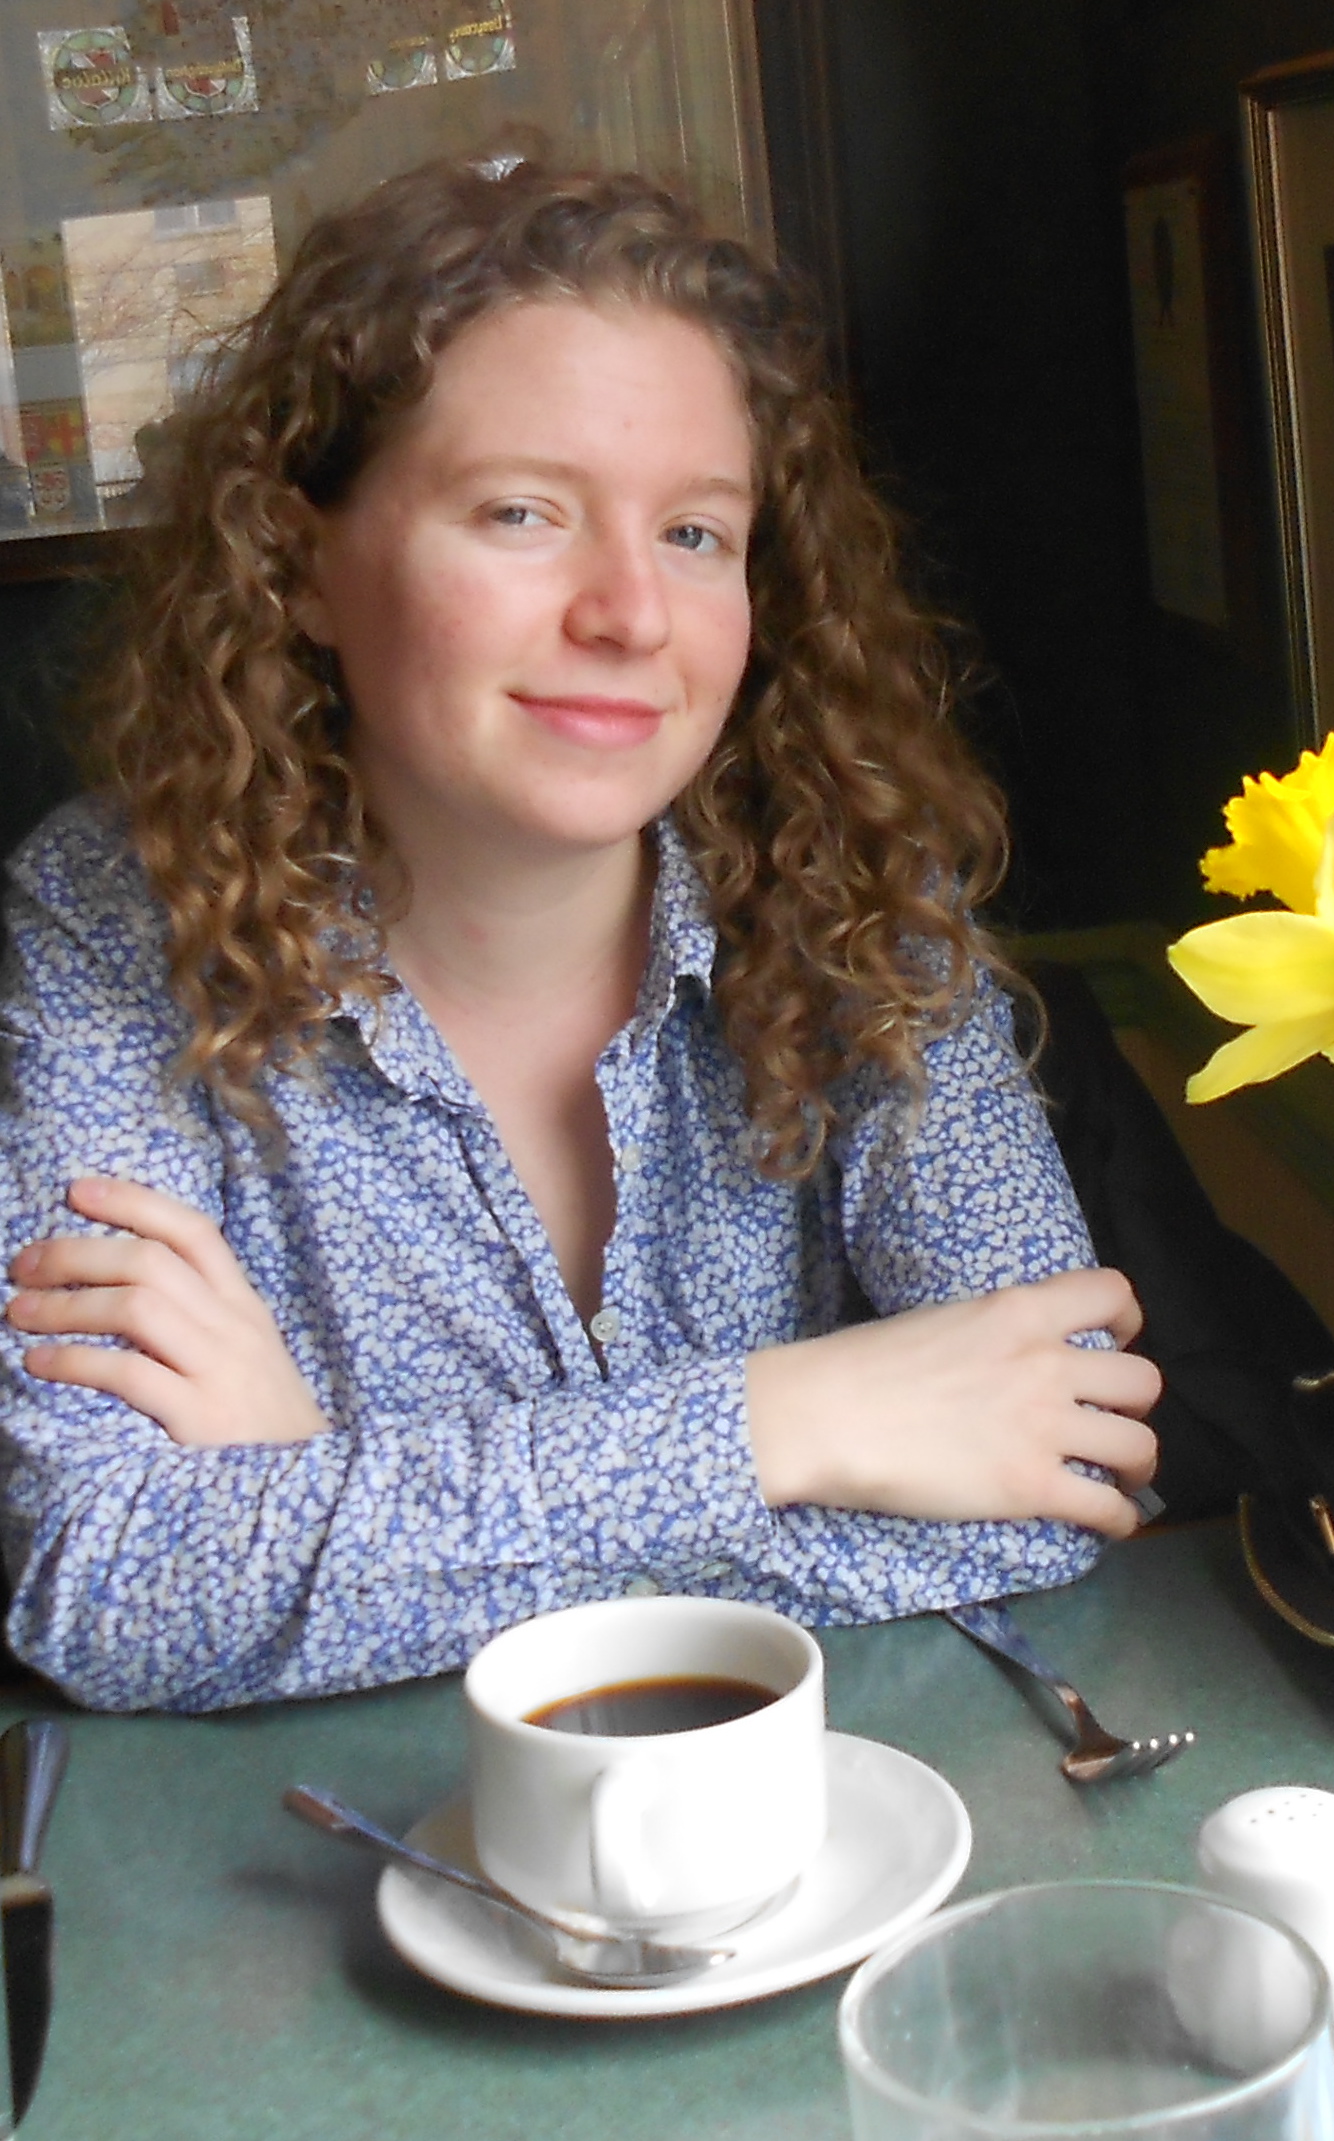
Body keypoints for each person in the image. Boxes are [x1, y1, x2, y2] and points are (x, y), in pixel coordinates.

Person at [0, 149, 1160, 1715]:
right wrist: (789, 1419)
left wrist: (331, 1494)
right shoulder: (111, 922)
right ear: (300, 565)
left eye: (695, 533)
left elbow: (1067, 1470)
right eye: (522, 512)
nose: (630, 611)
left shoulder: (860, 887)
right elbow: (109, 1580)